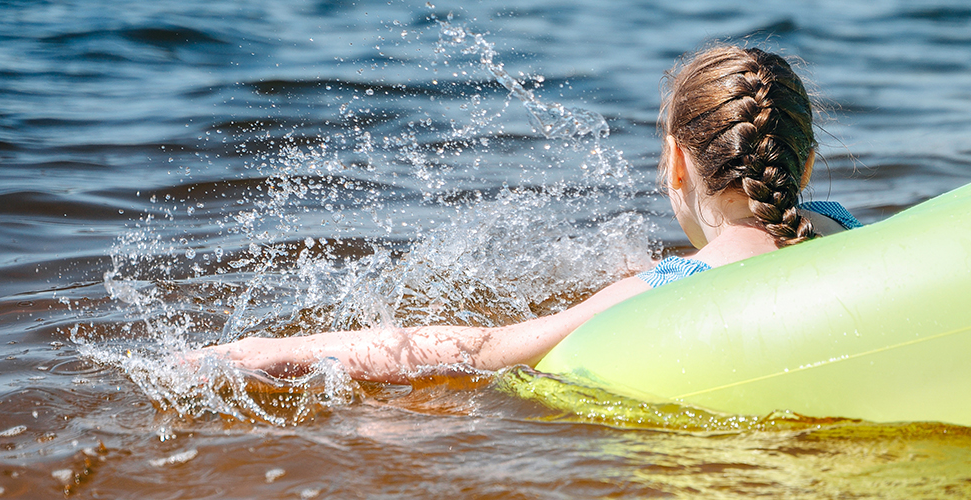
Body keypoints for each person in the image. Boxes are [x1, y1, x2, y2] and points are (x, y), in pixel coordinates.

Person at [200, 46, 863, 382]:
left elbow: (477, 349)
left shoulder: (663, 294)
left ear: (677, 164)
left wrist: (271, 351)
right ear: (804, 169)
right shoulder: (847, 232)